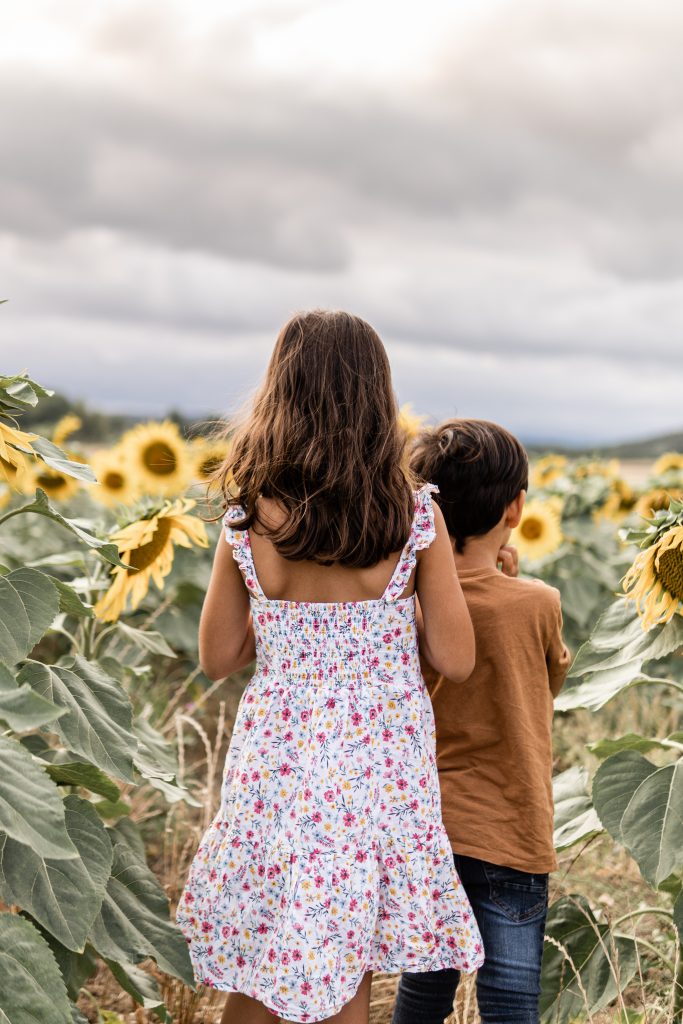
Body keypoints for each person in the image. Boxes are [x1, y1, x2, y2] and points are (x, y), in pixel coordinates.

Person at [177, 312, 484, 1024]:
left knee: (262, 949)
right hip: (375, 758)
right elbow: (456, 660)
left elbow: (217, 657)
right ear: (376, 400)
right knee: (345, 951)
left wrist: (286, 625)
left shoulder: (247, 517)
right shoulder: (412, 518)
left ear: (278, 392)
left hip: (277, 756)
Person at [392, 419, 571, 1024]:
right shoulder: (538, 603)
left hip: (430, 829)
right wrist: (508, 580)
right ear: (516, 508)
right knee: (512, 994)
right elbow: (549, 678)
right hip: (512, 827)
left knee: (424, 989)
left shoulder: (405, 606)